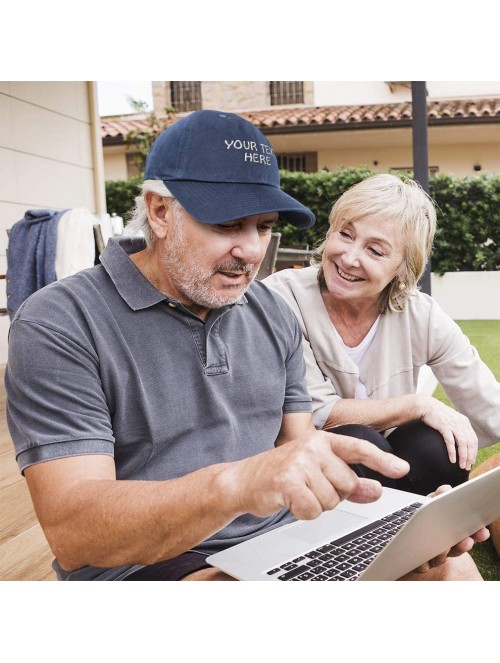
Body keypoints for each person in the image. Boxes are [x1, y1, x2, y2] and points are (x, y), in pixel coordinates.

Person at [5, 113, 487, 582]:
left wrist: (395, 523)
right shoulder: (60, 321)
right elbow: (76, 534)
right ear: (159, 212)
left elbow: (299, 449)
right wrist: (239, 483)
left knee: (450, 568)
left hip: (283, 539)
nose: (251, 251)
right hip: (155, 561)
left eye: (262, 226)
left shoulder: (270, 311)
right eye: (228, 224)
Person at [264, 173, 500, 496]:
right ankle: (395, 528)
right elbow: (314, 414)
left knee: (439, 444)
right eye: (345, 235)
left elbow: (490, 406)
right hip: (305, 474)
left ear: (403, 270)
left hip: (393, 470)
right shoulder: (282, 297)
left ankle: (418, 518)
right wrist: (417, 404)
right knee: (358, 440)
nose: (349, 258)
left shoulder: (420, 314)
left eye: (375, 251)